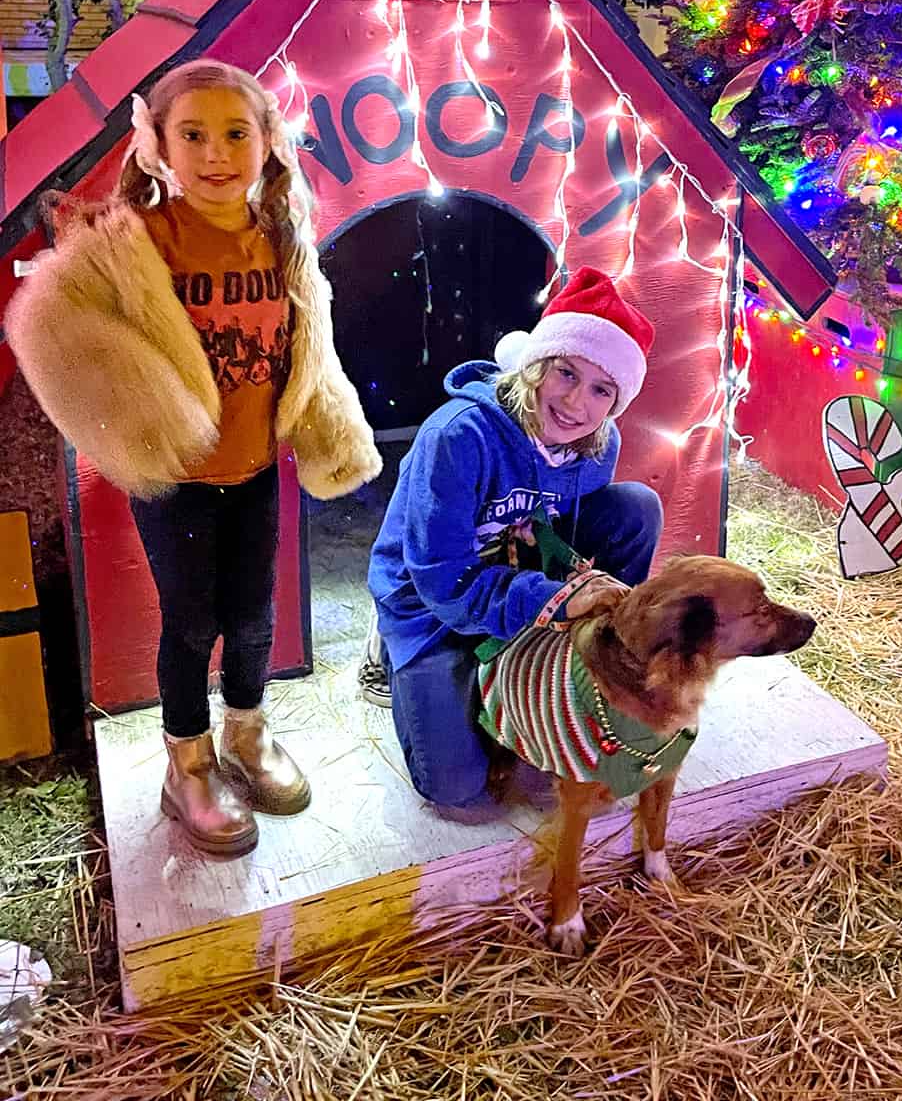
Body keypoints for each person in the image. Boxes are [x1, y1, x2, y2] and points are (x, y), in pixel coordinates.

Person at [7, 60, 380, 856]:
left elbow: (309, 343)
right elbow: (52, 331)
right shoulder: (136, 241)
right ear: (159, 148)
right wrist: (132, 418)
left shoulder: (280, 234)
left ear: (267, 142)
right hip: (177, 479)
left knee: (253, 617)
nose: (217, 155)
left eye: (236, 134)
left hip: (254, 469)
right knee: (191, 621)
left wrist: (324, 421)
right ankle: (187, 761)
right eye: (194, 136)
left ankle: (247, 733)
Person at [367, 266, 663, 807]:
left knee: (637, 508)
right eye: (566, 374)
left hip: (515, 577)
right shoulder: (459, 437)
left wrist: (575, 585)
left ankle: (605, 648)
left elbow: (560, 527)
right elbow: (442, 578)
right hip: (432, 600)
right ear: (536, 366)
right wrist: (553, 599)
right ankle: (391, 653)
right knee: (456, 789)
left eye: (602, 390)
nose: (577, 404)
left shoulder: (598, 443)